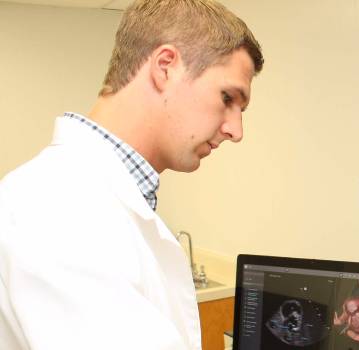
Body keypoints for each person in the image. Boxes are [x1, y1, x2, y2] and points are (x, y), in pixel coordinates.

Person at [0, 0, 263, 349]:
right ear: (166, 66)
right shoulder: (54, 207)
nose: (236, 130)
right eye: (227, 97)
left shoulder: (104, 198)